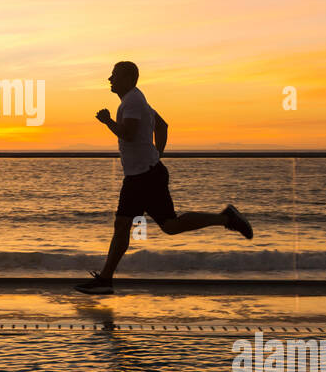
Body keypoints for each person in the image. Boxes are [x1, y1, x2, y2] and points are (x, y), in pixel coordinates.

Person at [76, 61, 253, 294]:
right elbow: (162, 125)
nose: (110, 79)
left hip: (144, 177)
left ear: (128, 79)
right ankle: (106, 279)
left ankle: (225, 218)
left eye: (114, 75)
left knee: (156, 225)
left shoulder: (132, 101)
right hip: (143, 174)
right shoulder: (139, 100)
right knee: (138, 224)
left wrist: (108, 121)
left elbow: (128, 134)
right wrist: (156, 156)